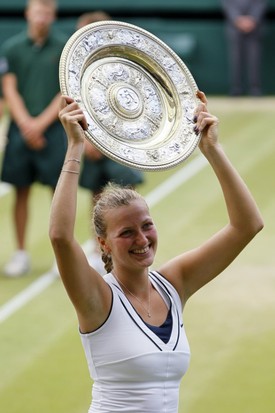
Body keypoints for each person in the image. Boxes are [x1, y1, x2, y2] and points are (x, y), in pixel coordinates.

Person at [49, 91, 263, 413]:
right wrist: (75, 147)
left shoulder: (174, 283)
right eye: (126, 232)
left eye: (146, 225)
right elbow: (60, 237)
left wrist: (212, 149)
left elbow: (247, 226)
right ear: (103, 244)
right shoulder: (97, 297)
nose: (142, 239)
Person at [0, 0, 68, 277]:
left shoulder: (64, 46)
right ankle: (20, 254)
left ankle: (61, 258)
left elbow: (64, 90)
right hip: (19, 130)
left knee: (59, 195)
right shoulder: (12, 48)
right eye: (38, 11)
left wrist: (40, 125)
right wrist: (27, 125)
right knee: (20, 192)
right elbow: (9, 89)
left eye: (47, 12)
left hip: (54, 130)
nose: (42, 17)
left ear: (53, 15)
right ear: (28, 13)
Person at [76, 11, 144, 273]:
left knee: (131, 193)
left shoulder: (120, 63)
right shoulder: (79, 68)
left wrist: (114, 140)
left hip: (119, 144)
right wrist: (87, 140)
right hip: (94, 145)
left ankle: (137, 245)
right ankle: (98, 250)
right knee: (96, 197)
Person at [221, 0, 268, 96]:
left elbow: (261, 4)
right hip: (234, 29)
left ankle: (255, 89)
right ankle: (236, 89)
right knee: (235, 59)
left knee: (254, 59)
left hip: (255, 29)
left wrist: (253, 19)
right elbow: (227, 4)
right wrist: (237, 19)